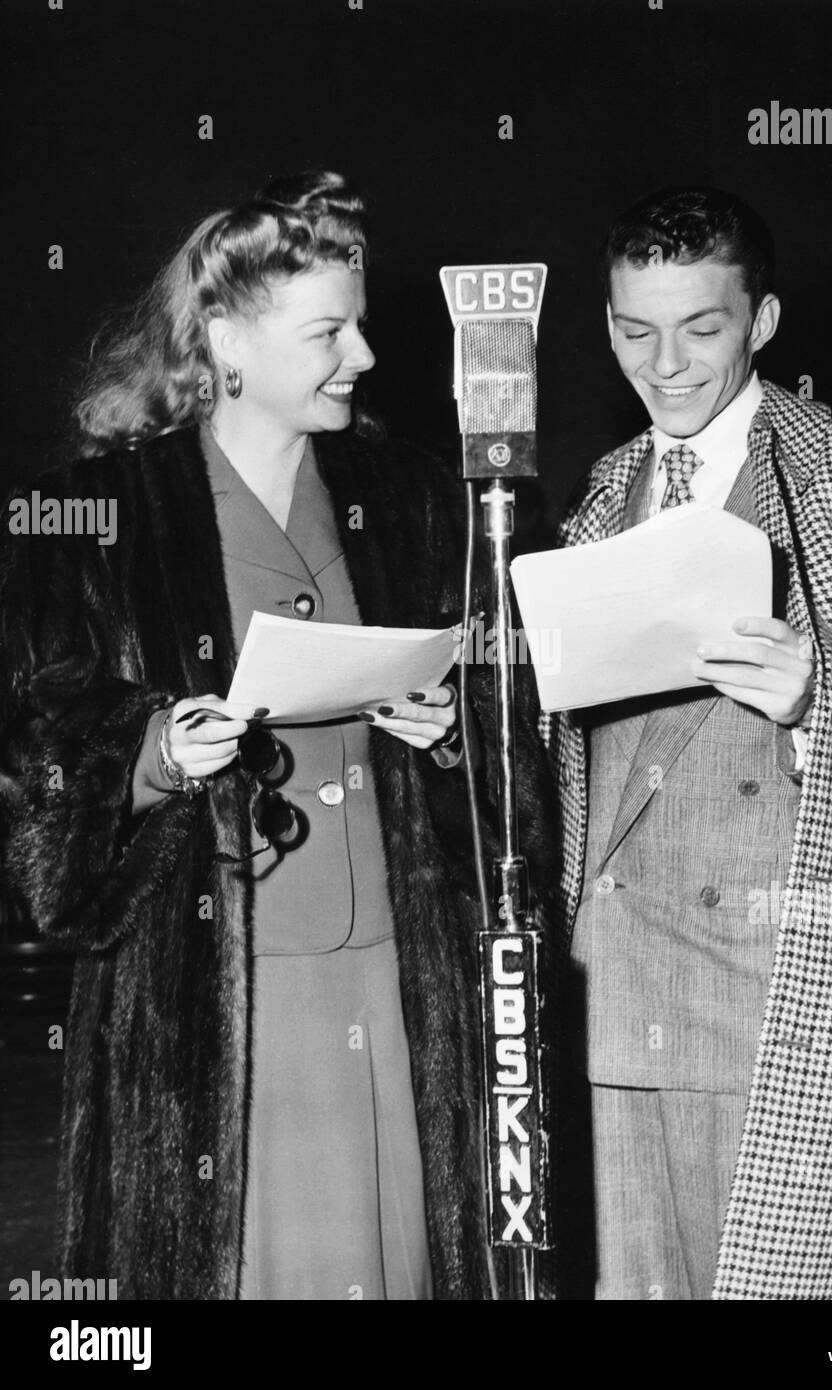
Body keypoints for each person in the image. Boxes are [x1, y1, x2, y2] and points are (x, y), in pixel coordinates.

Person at [0, 170, 556, 1300]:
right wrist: (154, 748)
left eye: (356, 324)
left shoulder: (413, 500)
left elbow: (517, 728)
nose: (360, 356)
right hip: (211, 987)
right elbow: (34, 753)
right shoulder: (98, 518)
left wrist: (451, 730)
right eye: (328, 331)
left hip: (398, 972)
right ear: (222, 337)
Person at [543, 186, 832, 1299]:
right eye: (632, 328)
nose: (662, 365)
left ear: (759, 322)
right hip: (615, 992)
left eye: (699, 327)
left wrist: (821, 700)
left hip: (793, 987)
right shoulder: (601, 497)